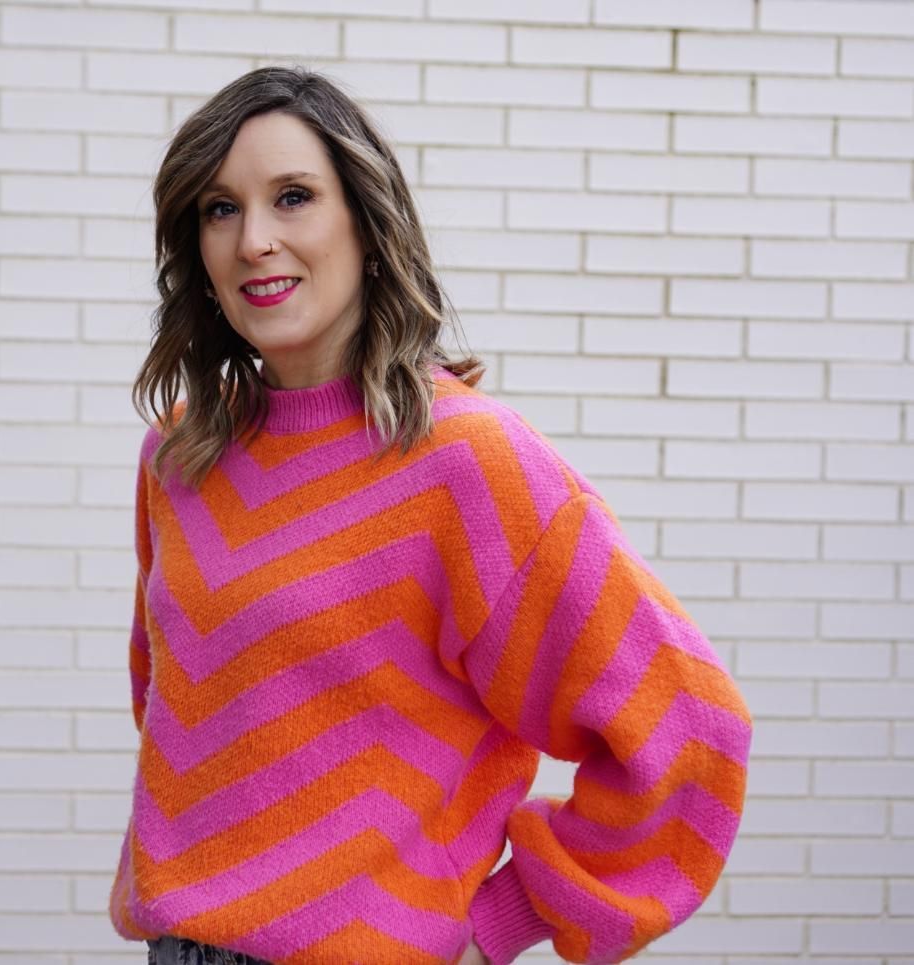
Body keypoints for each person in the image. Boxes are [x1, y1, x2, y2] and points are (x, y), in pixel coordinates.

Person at [108, 65, 752, 965]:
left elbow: (690, 726)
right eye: (221, 208)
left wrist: (506, 918)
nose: (255, 239)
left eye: (293, 197)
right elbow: (177, 710)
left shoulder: (466, 462)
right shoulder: (181, 454)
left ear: (367, 224)